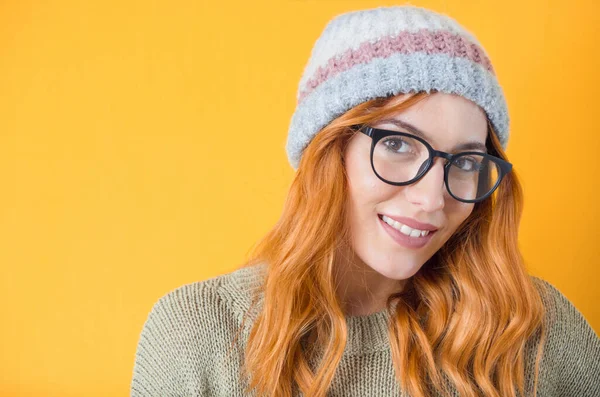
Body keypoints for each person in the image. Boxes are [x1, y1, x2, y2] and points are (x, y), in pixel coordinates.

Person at [130, 5, 600, 397]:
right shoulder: (197, 335)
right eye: (398, 144)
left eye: (465, 162)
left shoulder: (534, 329)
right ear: (328, 151)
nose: (433, 199)